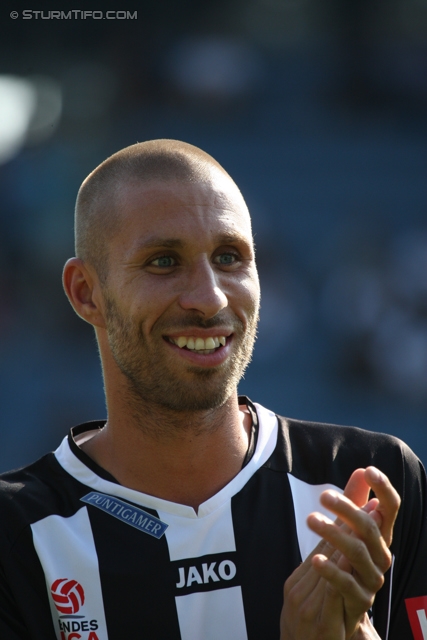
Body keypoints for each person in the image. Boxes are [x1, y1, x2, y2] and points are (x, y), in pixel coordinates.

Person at [0, 139, 425, 640]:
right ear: (85, 292)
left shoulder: (371, 483)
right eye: (163, 261)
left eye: (229, 257)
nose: (210, 297)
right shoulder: (15, 534)